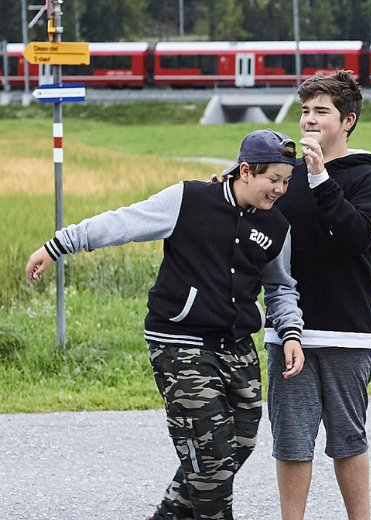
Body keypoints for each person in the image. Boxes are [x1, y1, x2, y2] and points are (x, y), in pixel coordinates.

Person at [25, 129, 306, 520]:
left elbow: (279, 288)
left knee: (239, 443)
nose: (279, 189)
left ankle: (169, 515)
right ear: (245, 171)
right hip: (180, 341)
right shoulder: (189, 200)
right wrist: (58, 245)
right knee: (211, 463)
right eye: (272, 180)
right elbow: (123, 222)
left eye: (287, 182)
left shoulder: (276, 228)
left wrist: (291, 332)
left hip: (237, 345)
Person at [264, 71, 371, 520]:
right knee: (292, 441)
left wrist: (319, 178)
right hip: (288, 328)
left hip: (346, 327)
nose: (309, 120)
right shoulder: (286, 174)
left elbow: (355, 235)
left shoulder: (365, 177)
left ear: (347, 120)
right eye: (305, 111)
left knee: (347, 438)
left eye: (322, 112)